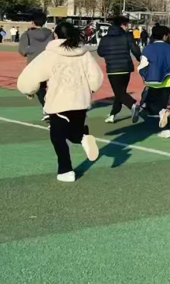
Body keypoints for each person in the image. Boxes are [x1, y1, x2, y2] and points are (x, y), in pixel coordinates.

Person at [17, 22, 104, 183]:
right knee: (74, 131)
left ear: (55, 35)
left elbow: (30, 77)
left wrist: (29, 90)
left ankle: (66, 170)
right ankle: (83, 137)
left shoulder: (49, 54)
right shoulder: (84, 54)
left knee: (58, 137)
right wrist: (90, 89)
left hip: (59, 102)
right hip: (81, 101)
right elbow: (96, 77)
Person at [139, 25, 170, 139]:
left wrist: (143, 74)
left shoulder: (148, 48)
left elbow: (143, 65)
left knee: (153, 105)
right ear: (165, 36)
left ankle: (163, 121)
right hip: (167, 81)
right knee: (162, 104)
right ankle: (166, 127)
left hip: (152, 81)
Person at [97, 16, 142, 124]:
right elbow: (135, 49)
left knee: (119, 93)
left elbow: (100, 52)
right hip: (126, 68)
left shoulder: (105, 38)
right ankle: (113, 114)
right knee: (120, 93)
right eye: (127, 25)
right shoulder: (127, 36)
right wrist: (140, 59)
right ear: (122, 25)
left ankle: (132, 105)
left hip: (113, 69)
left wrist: (109, 53)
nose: (128, 27)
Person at [18, 12, 54, 121]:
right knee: (51, 86)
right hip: (49, 63)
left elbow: (22, 50)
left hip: (34, 64)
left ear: (32, 22)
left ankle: (47, 109)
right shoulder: (50, 33)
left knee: (40, 88)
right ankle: (52, 108)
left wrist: (32, 51)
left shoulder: (27, 34)